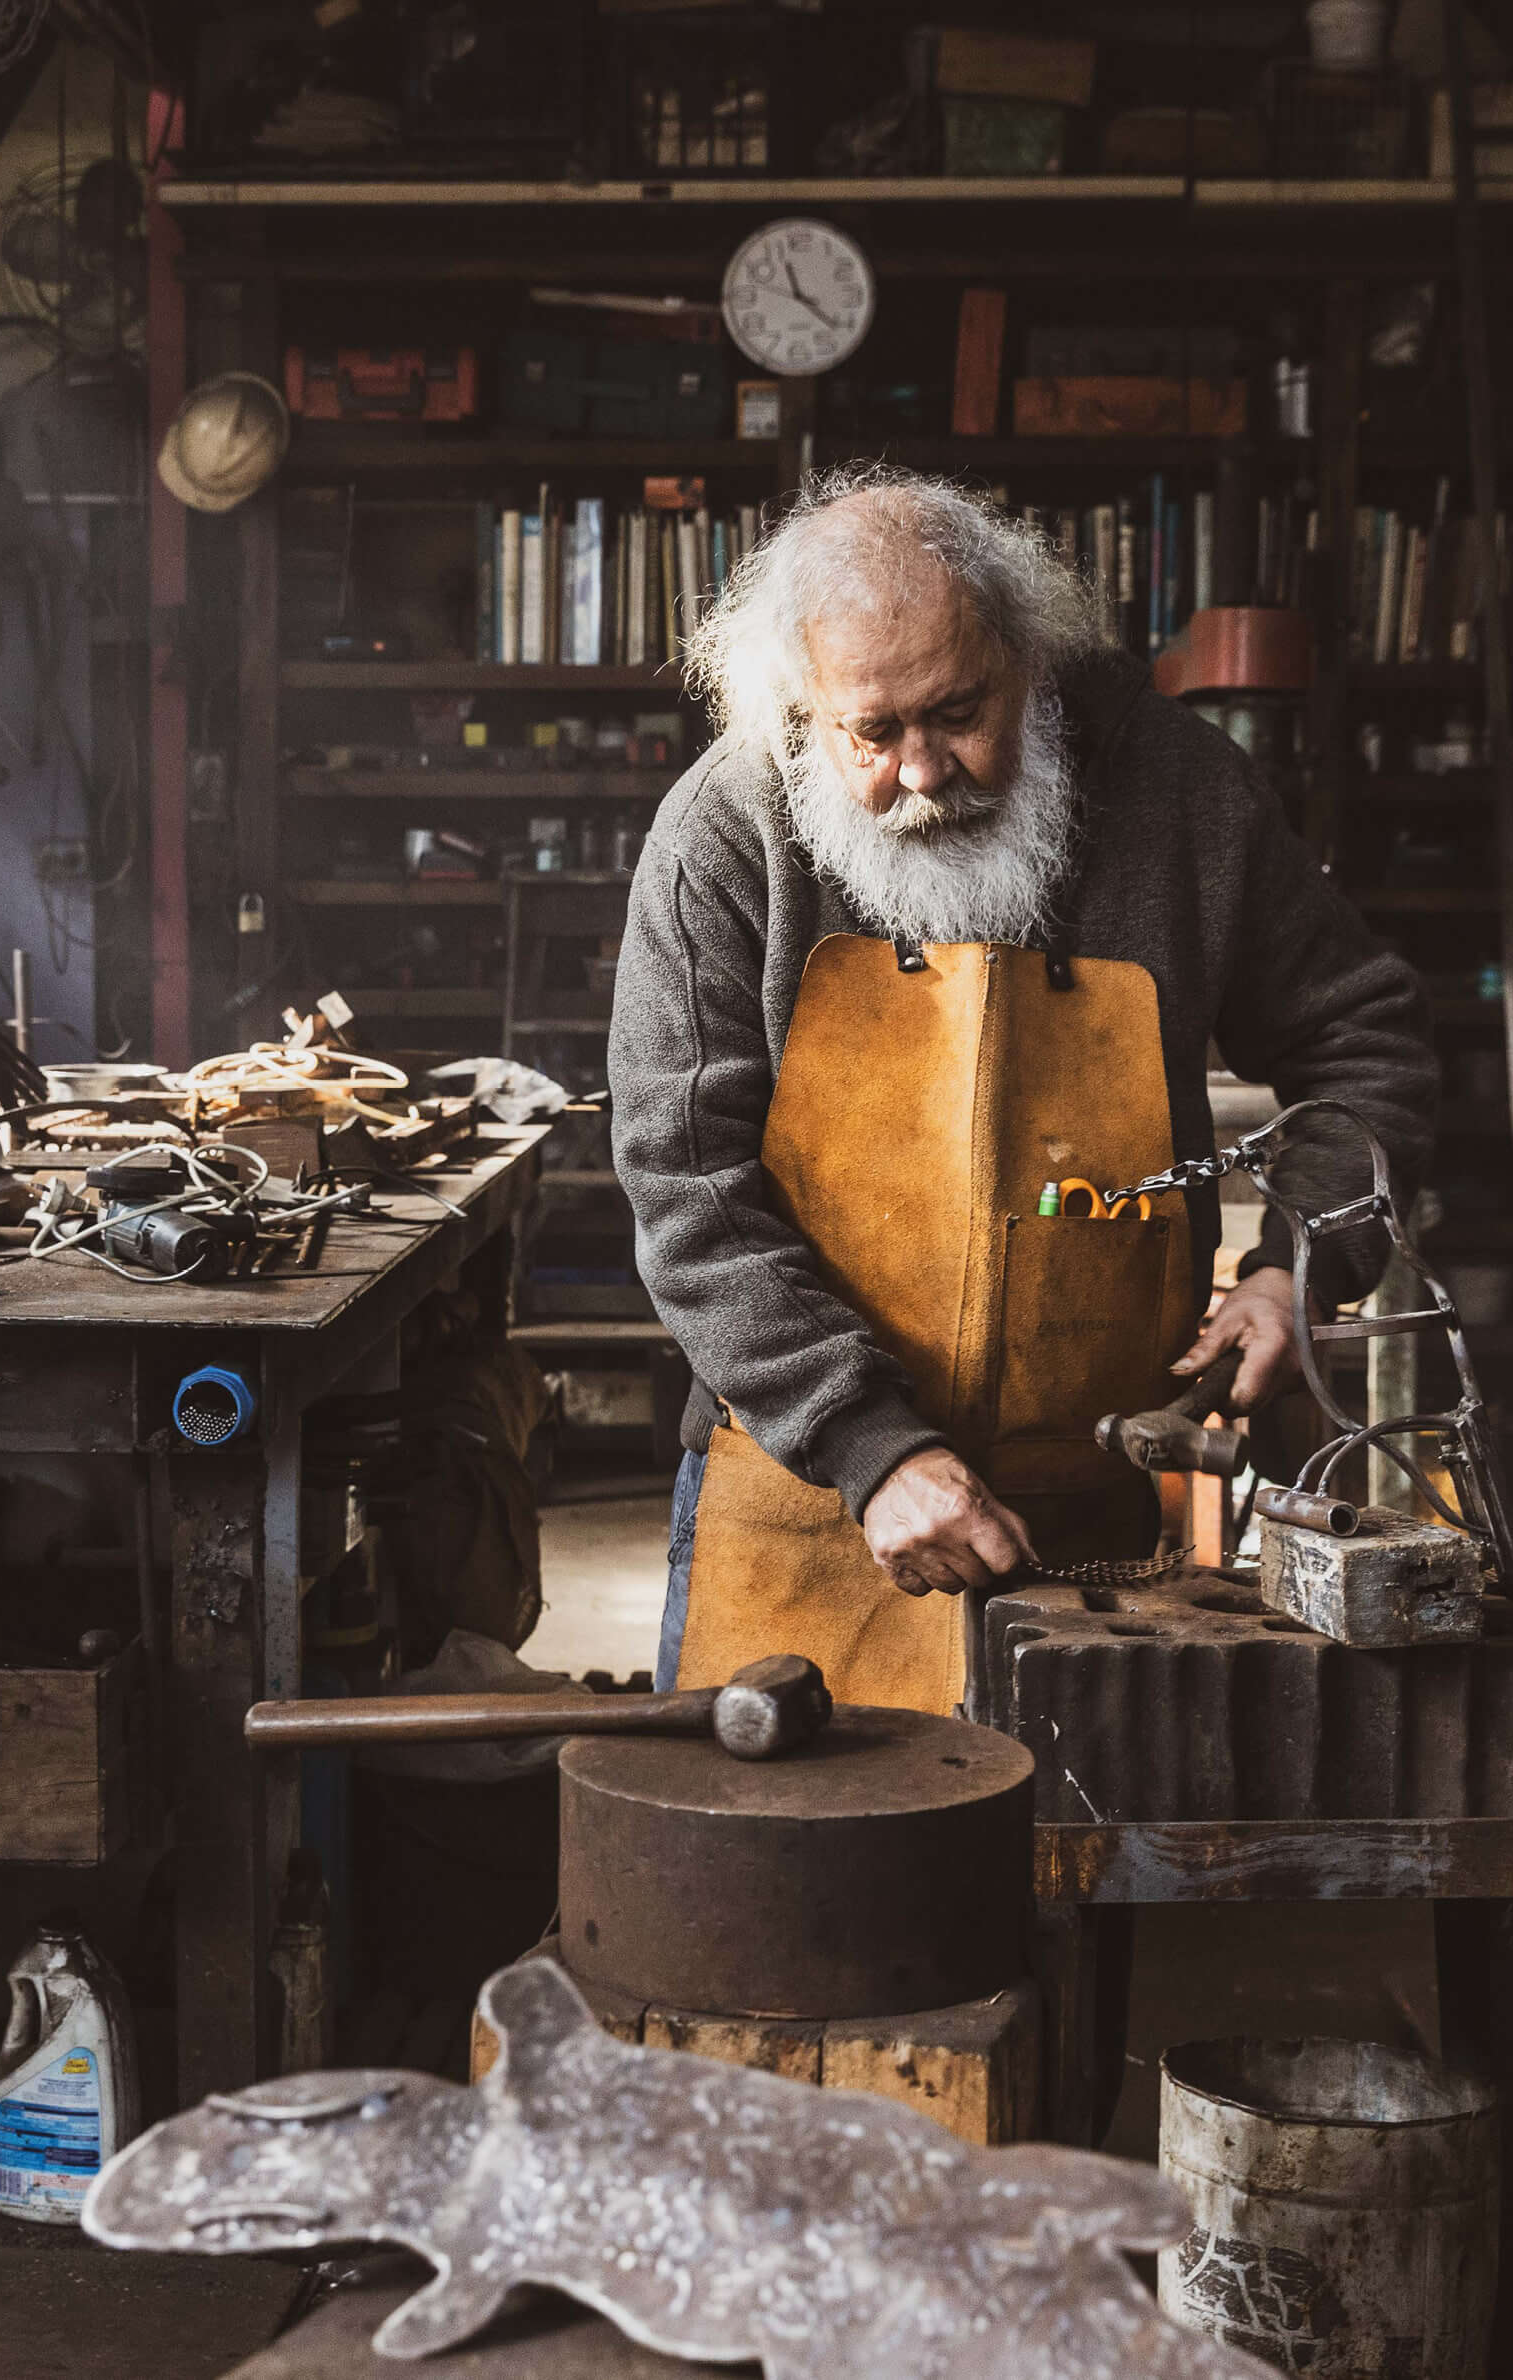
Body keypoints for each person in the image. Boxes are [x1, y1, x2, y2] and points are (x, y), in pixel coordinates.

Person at [610, 471, 1439, 1709]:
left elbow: (1368, 1036)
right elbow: (689, 1191)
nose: (923, 771)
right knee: (799, 1886)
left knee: (1091, 1876)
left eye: (958, 710)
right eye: (871, 733)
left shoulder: (1182, 792)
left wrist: (1297, 1268)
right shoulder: (721, 838)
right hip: (813, 1499)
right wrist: (872, 1449)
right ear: (803, 709)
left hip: (1108, 1504)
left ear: (1029, 656)